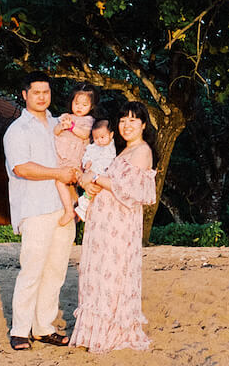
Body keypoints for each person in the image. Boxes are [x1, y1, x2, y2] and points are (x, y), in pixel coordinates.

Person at [3, 72, 82, 351]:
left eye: (46, 92)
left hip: (63, 207)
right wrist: (58, 173)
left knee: (56, 271)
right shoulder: (17, 130)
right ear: (24, 95)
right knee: (32, 270)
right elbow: (21, 168)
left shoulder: (59, 124)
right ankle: (20, 330)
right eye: (36, 92)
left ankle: (44, 327)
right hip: (34, 208)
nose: (41, 97)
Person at [71, 103, 158, 352]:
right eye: (122, 120)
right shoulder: (121, 151)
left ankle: (110, 333)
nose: (126, 125)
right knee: (98, 274)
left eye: (133, 120)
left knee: (113, 275)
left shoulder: (142, 151)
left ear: (143, 125)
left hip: (119, 226)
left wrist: (96, 178)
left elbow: (128, 189)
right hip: (103, 223)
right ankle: (93, 333)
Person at [54, 86, 97, 226]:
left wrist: (71, 127)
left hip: (75, 160)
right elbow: (55, 132)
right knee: (67, 185)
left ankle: (71, 211)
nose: (79, 107)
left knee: (64, 182)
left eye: (84, 105)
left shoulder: (89, 120)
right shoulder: (66, 116)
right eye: (76, 103)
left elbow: (85, 134)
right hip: (62, 158)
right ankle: (76, 209)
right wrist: (62, 126)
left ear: (91, 106)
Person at [73, 118, 117, 224]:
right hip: (91, 172)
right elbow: (86, 156)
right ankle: (83, 207)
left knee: (93, 190)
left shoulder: (111, 148)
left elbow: (109, 162)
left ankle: (83, 207)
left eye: (102, 137)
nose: (99, 141)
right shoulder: (92, 147)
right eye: (96, 138)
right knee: (89, 189)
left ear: (111, 135)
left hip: (102, 174)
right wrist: (86, 163)